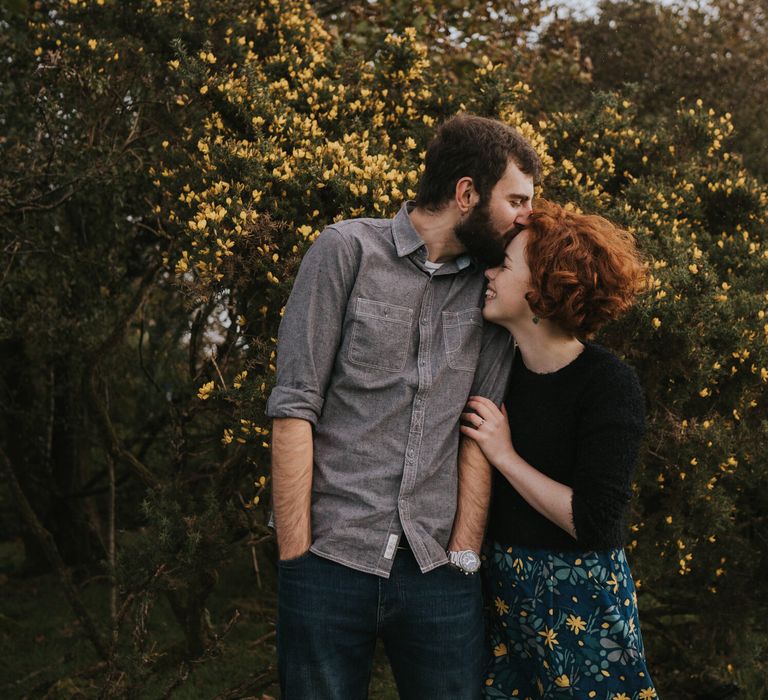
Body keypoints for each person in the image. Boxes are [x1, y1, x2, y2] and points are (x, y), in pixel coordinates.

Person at [266, 115, 542, 699]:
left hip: (438, 573)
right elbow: (294, 409)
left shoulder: (491, 293)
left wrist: (464, 551)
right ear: (467, 193)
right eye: (516, 199)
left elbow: (479, 426)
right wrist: (296, 559)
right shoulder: (345, 252)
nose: (527, 216)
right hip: (330, 559)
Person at [460, 201, 659, 699]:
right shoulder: (499, 369)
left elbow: (593, 521)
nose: (488, 272)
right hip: (505, 597)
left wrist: (504, 455)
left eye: (504, 266)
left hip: (579, 600)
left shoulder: (608, 384)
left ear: (539, 292)